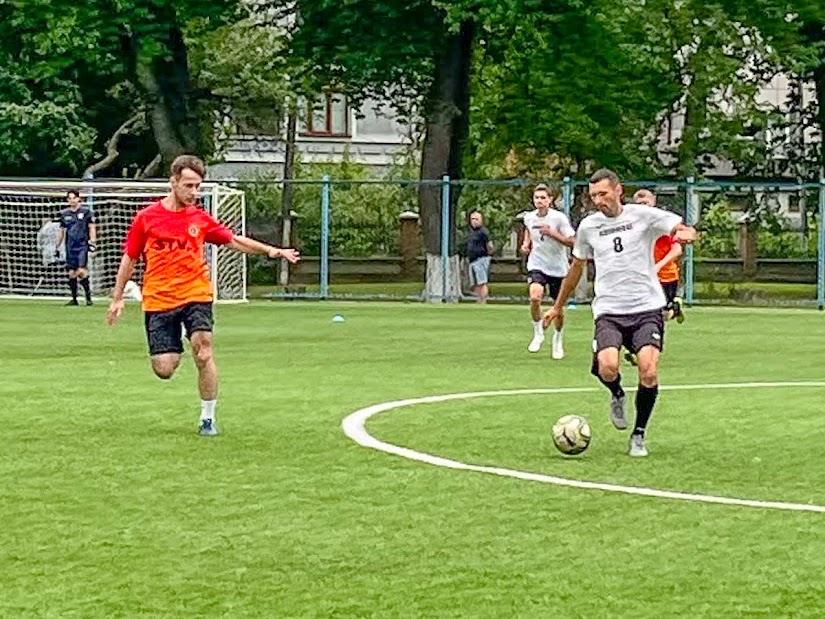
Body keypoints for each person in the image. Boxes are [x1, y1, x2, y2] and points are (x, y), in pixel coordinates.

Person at [106, 155, 301, 437]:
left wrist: (272, 250)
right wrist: (117, 298)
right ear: (173, 182)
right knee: (164, 368)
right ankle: (179, 346)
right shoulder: (146, 218)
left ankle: (207, 417)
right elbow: (130, 259)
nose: (194, 192)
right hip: (159, 299)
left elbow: (233, 240)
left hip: (196, 292)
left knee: (204, 347)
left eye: (198, 186)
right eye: (189, 185)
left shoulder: (199, 218)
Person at [541, 169, 697, 457]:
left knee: (648, 370)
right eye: (593, 196)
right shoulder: (589, 226)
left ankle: (638, 435)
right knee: (608, 367)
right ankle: (617, 393)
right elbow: (576, 268)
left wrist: (687, 234)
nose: (599, 200)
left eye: (603, 194)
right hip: (610, 309)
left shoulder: (643, 216)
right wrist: (557, 305)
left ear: (618, 190)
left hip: (647, 306)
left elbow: (681, 228)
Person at [520, 184, 575, 358]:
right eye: (537, 198)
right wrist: (526, 243)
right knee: (535, 296)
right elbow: (529, 229)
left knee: (558, 308)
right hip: (537, 263)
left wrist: (553, 234)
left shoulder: (558, 218)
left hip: (558, 267)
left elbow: (571, 241)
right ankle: (538, 332)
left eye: (543, 198)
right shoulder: (529, 217)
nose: (540, 201)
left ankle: (557, 339)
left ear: (550, 200)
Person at [56, 190, 97, 305]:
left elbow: (91, 227)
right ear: (67, 200)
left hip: (82, 245)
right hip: (70, 246)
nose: (72, 200)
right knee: (71, 273)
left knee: (81, 271)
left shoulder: (86, 212)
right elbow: (61, 230)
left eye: (74, 198)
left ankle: (88, 298)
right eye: (70, 198)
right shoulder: (64, 214)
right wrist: (57, 245)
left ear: (79, 199)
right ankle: (74, 299)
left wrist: (93, 242)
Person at [465, 210, 494, 303]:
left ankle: (483, 300)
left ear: (481, 220)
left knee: (482, 281)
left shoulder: (483, 232)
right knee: (476, 282)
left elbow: (490, 245)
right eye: (472, 219)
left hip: (481, 259)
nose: (474, 221)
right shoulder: (472, 232)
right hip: (473, 260)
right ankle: (478, 299)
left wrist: (487, 256)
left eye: (476, 219)